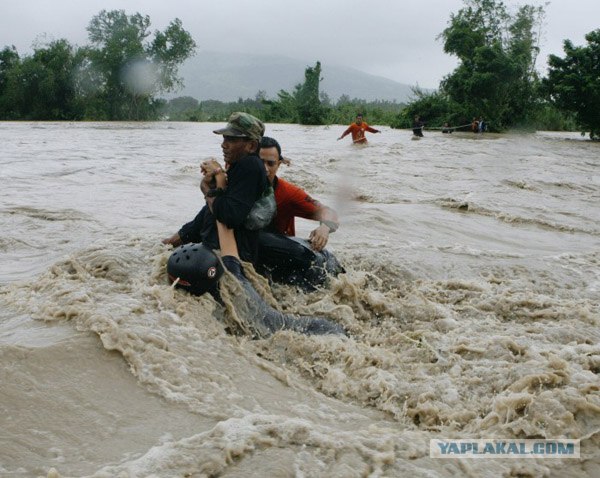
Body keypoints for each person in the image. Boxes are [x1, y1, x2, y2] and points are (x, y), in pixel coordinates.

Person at [166, 223, 346, 338]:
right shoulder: (236, 282)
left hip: (297, 329)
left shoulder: (214, 302)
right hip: (315, 328)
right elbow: (227, 237)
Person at [162, 112, 268, 265]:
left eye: (231, 139)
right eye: (224, 138)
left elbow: (229, 216)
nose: (224, 145)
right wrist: (174, 240)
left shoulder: (250, 166)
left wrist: (207, 189)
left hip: (232, 257)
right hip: (216, 250)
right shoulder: (239, 167)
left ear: (251, 146)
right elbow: (211, 211)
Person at [257, 137, 344, 290]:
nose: (265, 169)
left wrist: (324, 227)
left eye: (270, 164)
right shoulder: (238, 186)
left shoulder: (288, 193)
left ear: (279, 164)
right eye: (260, 162)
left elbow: (329, 212)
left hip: (283, 255)